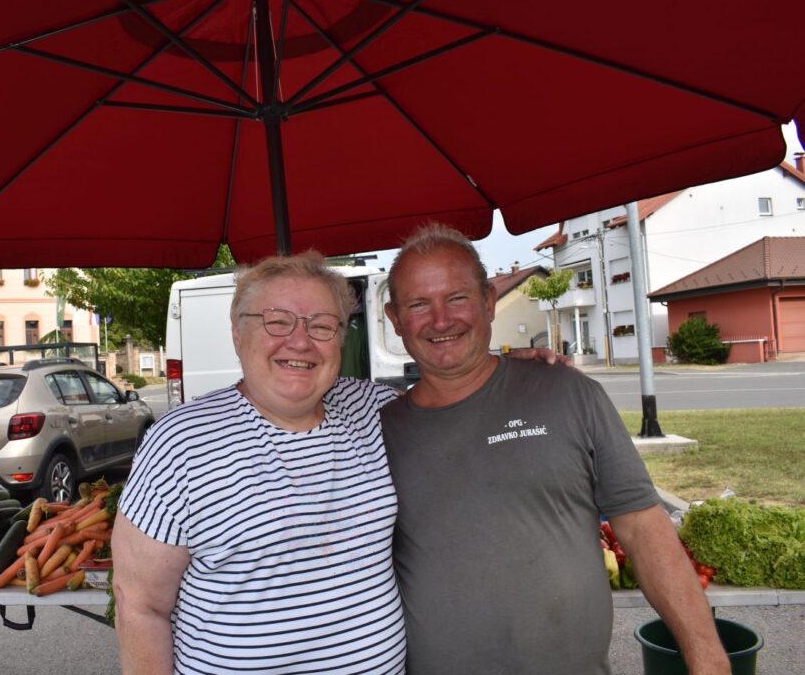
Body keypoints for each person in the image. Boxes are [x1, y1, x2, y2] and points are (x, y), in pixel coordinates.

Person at [380, 223, 731, 675]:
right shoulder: (374, 432)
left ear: (488, 301)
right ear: (394, 318)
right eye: (418, 304)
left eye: (457, 298)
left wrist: (707, 658)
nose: (441, 320)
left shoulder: (567, 393)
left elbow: (644, 530)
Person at [110, 252, 407, 674]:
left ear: (341, 338)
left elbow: (455, 402)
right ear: (237, 333)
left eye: (322, 325)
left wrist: (503, 361)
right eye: (277, 321)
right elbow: (140, 606)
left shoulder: (375, 410)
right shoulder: (181, 442)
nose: (300, 341)